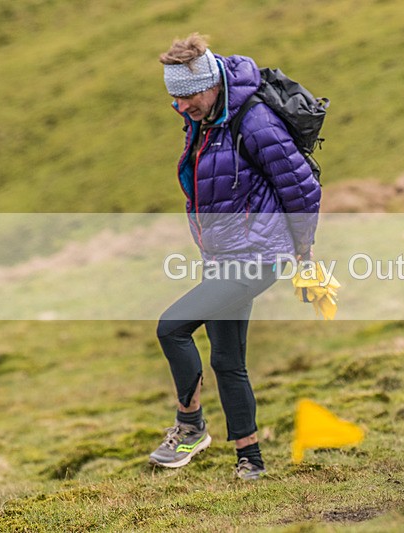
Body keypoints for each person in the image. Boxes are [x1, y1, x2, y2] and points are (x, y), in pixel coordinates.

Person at [150, 33, 321, 480]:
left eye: (188, 97)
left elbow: (302, 188)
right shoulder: (205, 119)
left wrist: (305, 254)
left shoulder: (255, 120)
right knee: (227, 360)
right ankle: (251, 460)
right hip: (223, 257)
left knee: (172, 327)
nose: (181, 106)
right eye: (175, 99)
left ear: (210, 85)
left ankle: (190, 427)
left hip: (258, 257)